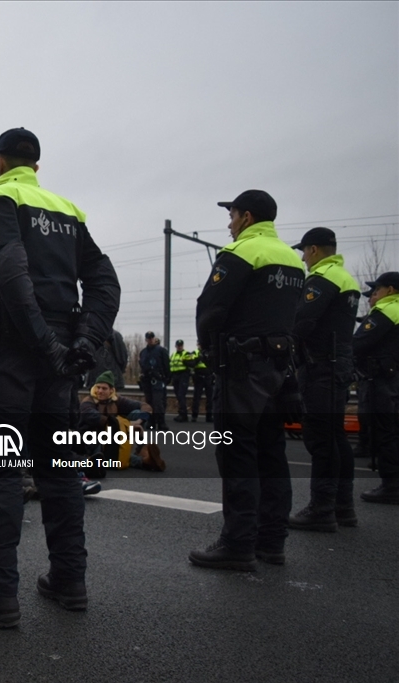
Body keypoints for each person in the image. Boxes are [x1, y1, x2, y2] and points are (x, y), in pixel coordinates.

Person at [0, 128, 120, 627]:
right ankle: (69, 580)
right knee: (60, 468)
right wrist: (84, 343)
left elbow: (11, 273)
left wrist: (44, 343)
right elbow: (104, 282)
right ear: (36, 166)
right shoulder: (68, 210)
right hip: (61, 357)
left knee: (3, 469)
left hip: (19, 352)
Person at [189, 189, 304, 571]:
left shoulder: (241, 252)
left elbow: (210, 308)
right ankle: (272, 542)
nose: (230, 224)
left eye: (233, 215)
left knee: (238, 454)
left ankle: (237, 544)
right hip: (277, 370)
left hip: (241, 370)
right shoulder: (293, 261)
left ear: (248, 217)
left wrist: (210, 354)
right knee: (272, 454)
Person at [287, 228, 361, 529]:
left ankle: (322, 509)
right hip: (336, 365)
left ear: (314, 249)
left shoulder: (323, 277)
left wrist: (283, 349)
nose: (303, 258)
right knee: (335, 437)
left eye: (304, 252)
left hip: (321, 368)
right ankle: (342, 507)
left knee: (321, 439)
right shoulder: (345, 278)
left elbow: (302, 320)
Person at [353, 271, 399, 504]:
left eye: (377, 290)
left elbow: (359, 342)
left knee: (385, 431)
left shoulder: (387, 310)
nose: (374, 295)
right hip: (394, 378)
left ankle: (391, 485)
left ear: (390, 290)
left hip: (383, 379)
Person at [139, 331, 169, 429]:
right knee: (149, 402)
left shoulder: (161, 350)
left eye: (152, 338)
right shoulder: (143, 352)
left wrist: (166, 379)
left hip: (158, 380)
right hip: (147, 381)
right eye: (148, 338)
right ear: (146, 339)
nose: (150, 340)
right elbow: (142, 366)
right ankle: (151, 421)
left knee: (158, 402)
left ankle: (161, 422)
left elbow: (166, 366)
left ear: (154, 338)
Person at [186, 338, 213, 422]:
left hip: (208, 376)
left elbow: (213, 363)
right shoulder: (195, 353)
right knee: (197, 397)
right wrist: (198, 359)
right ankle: (194, 415)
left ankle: (209, 415)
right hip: (199, 377)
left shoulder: (209, 352)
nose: (201, 346)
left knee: (210, 398)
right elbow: (190, 363)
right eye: (199, 344)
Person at [170, 339, 192, 422]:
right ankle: (181, 413)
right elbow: (170, 365)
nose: (179, 347)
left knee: (181, 395)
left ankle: (183, 414)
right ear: (176, 346)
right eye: (178, 345)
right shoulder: (173, 355)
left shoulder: (186, 354)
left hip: (183, 375)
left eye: (181, 345)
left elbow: (191, 363)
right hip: (175, 376)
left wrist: (186, 362)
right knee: (178, 395)